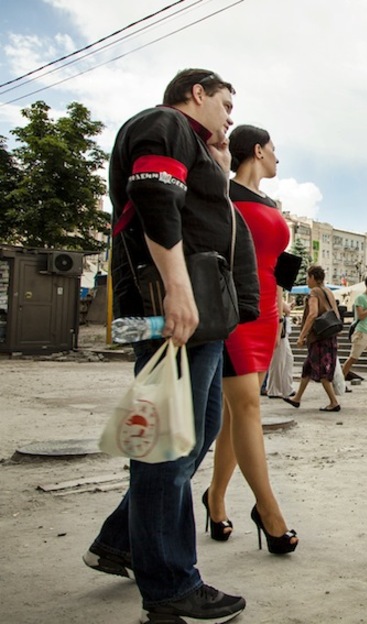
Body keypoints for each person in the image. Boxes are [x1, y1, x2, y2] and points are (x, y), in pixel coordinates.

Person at [84, 69, 251, 623]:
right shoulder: (164, 123)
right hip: (174, 311)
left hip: (195, 317)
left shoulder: (196, 147)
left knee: (190, 437)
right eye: (225, 103)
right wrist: (179, 291)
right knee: (167, 450)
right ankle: (171, 589)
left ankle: (121, 542)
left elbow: (192, 212)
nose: (230, 117)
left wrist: (219, 173)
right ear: (197, 93)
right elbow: (155, 196)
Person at [205, 125, 298, 555]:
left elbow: (278, 261)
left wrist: (283, 297)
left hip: (267, 311)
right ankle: (268, 511)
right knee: (247, 407)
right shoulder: (223, 195)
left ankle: (215, 499)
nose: (278, 158)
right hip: (234, 307)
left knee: (234, 413)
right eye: (274, 150)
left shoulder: (271, 202)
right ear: (257, 150)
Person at [287, 265, 342, 411]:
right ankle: (297, 398)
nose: (307, 280)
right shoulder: (328, 291)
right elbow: (336, 314)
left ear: (312, 277)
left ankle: (334, 402)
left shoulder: (314, 292)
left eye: (307, 277)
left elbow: (312, 314)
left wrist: (301, 336)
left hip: (318, 337)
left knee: (323, 370)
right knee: (308, 367)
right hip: (329, 335)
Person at [265, 300, 295, 399]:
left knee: (287, 359)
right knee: (278, 360)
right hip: (278, 330)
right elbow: (286, 309)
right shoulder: (276, 291)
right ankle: (274, 389)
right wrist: (287, 306)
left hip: (281, 330)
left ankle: (286, 387)